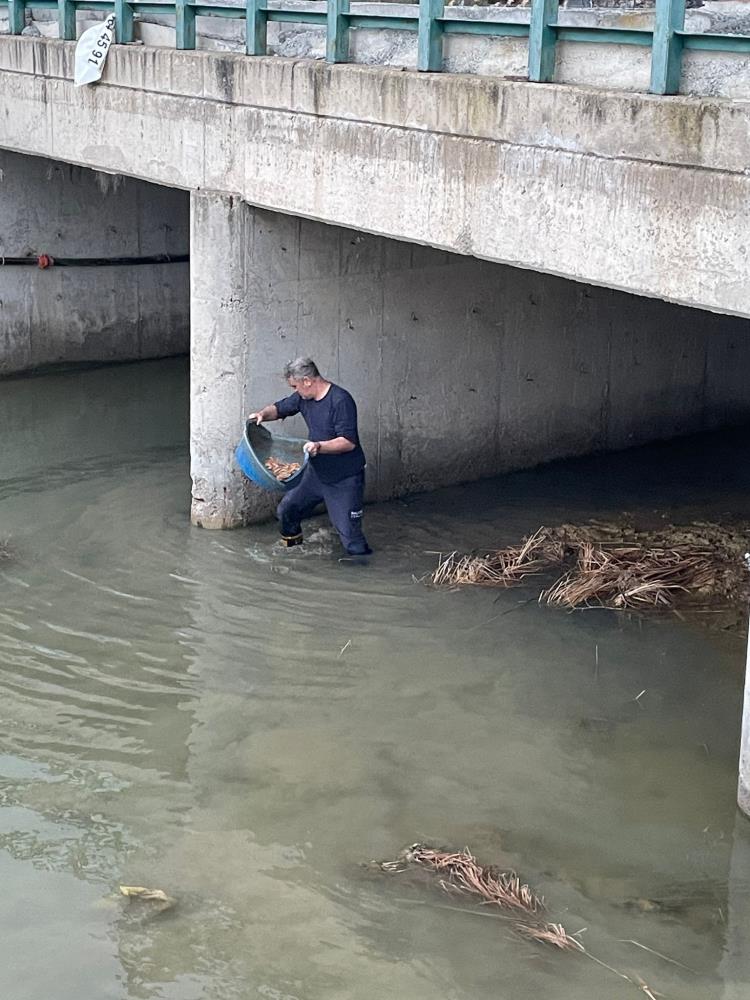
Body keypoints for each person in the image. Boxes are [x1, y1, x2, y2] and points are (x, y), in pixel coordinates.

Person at [249, 357, 373, 556]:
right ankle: (293, 550)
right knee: (287, 511)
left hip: (344, 479)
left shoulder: (340, 400)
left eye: (296, 386)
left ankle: (363, 579)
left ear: (307, 381)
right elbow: (279, 408)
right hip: (316, 474)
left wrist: (319, 446)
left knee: (351, 540)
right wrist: (262, 414)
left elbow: (348, 442)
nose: (295, 391)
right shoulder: (302, 398)